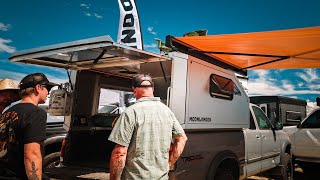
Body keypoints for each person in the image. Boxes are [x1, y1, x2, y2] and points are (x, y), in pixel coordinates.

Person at [108, 74, 188, 180]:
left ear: (134, 90)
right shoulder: (167, 111)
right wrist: (169, 163)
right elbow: (182, 138)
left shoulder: (130, 112)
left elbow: (120, 153)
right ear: (153, 89)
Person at [0, 73, 58, 179]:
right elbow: (32, 154)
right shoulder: (35, 113)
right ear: (38, 88)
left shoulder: (7, 112)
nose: (48, 92)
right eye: (47, 88)